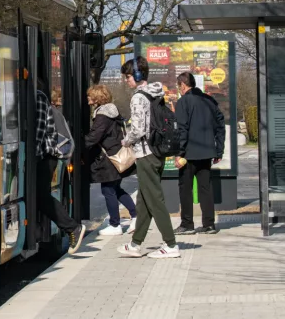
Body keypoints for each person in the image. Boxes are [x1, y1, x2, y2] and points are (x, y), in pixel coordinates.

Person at [116, 57, 180, 259]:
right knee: (144, 199)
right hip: (158, 152)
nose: (126, 81)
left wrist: (125, 141)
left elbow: (139, 129)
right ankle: (135, 244)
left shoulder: (138, 98)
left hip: (145, 154)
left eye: (127, 77)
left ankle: (170, 244)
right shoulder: (155, 93)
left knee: (154, 200)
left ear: (135, 76)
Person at [35, 77, 86, 253]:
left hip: (45, 157)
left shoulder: (39, 98)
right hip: (44, 157)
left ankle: (72, 227)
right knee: (40, 196)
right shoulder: (39, 98)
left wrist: (30, 158)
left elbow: (39, 132)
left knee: (41, 197)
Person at [173, 72, 226, 235]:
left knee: (185, 189)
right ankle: (209, 224)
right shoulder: (209, 100)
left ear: (183, 84)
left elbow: (182, 129)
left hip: (188, 153)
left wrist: (179, 153)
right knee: (205, 188)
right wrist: (219, 149)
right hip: (206, 152)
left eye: (178, 86)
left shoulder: (183, 102)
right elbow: (220, 125)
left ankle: (187, 224)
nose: (179, 89)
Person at [85, 84, 137, 236]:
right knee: (116, 189)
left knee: (108, 190)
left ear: (97, 97)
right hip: (116, 155)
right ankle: (135, 215)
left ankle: (115, 224)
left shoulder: (102, 115)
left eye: (90, 95)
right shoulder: (112, 111)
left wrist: (79, 144)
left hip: (109, 158)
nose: (88, 98)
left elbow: (95, 136)